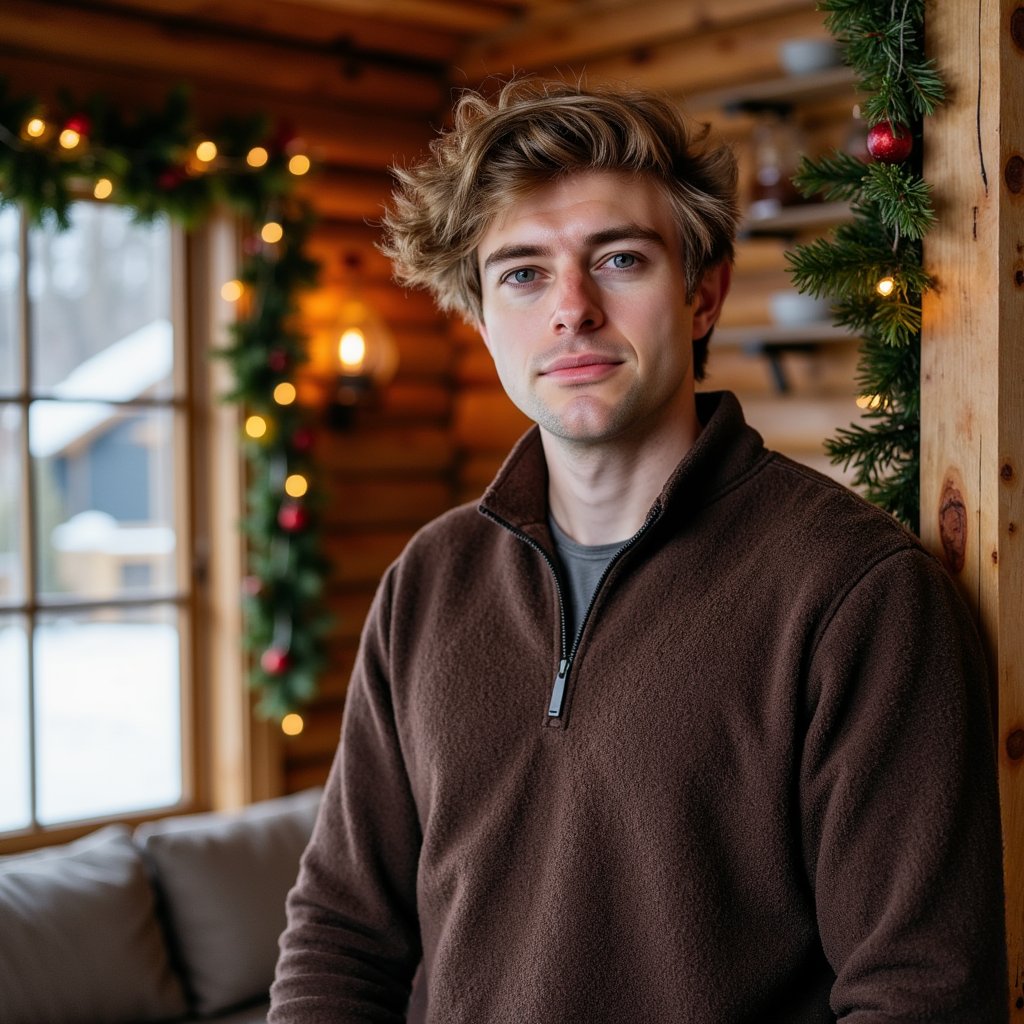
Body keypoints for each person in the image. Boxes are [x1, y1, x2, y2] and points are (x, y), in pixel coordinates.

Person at [269, 80, 1007, 1023]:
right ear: (481, 315)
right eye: (523, 272)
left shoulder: (857, 594)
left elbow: (922, 996)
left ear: (704, 294)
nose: (570, 309)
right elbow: (339, 933)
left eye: (618, 259)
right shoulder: (429, 581)